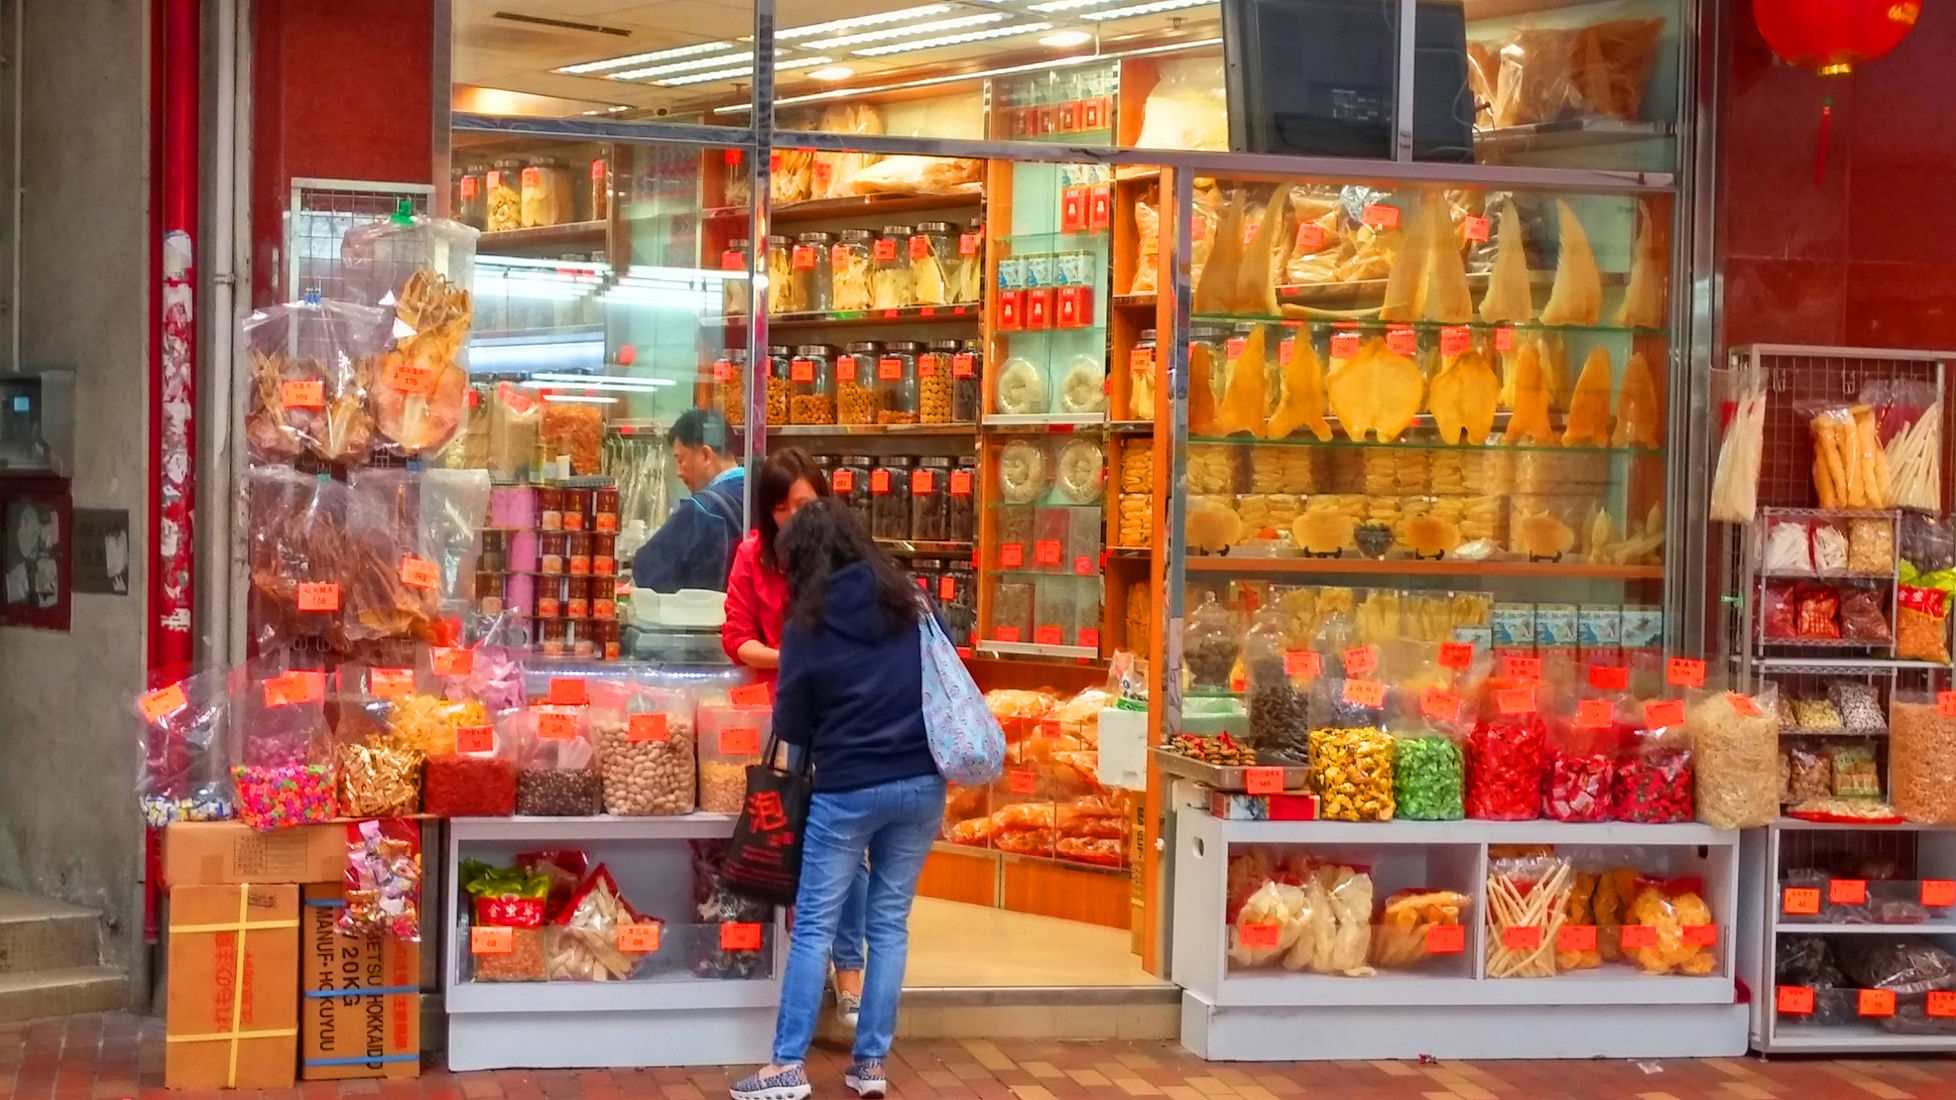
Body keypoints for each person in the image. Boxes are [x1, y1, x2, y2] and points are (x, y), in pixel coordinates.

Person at [730, 498, 945, 1100]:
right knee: (890, 926)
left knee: (815, 927)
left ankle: (787, 1064)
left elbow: (793, 725)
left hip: (848, 787)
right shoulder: (913, 602)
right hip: (923, 783)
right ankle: (870, 1064)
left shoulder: (808, 624)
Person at [720, 448, 871, 1030]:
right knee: (785, 837)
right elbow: (736, 638)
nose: (791, 517)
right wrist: (794, 659)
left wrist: (810, 663)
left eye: (802, 504)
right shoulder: (753, 554)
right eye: (780, 507)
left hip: (839, 715)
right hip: (776, 714)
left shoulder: (846, 560)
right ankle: (783, 964)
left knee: (844, 843)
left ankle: (849, 972)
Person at [630, 408, 745, 593]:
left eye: (680, 459)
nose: (678, 472)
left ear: (706, 455)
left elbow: (647, 571)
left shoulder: (700, 510)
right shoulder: (762, 491)